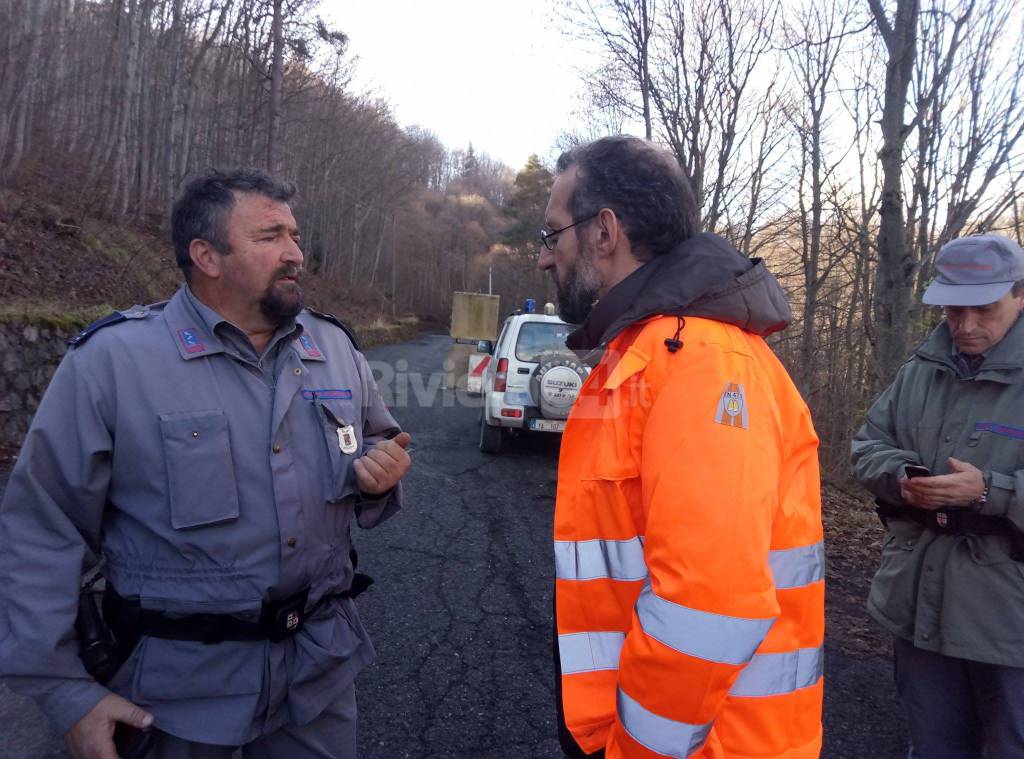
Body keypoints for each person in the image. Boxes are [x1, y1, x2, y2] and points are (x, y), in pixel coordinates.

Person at [0, 167, 411, 759]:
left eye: (294, 236)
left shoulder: (335, 349)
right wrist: (66, 693)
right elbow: (41, 529)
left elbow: (380, 441)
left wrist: (380, 478)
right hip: (174, 703)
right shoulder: (114, 363)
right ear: (206, 256)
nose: (295, 253)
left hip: (316, 683)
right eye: (271, 237)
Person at [540, 135, 824, 758]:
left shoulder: (702, 363)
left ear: (604, 232)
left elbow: (711, 604)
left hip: (706, 745)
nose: (545, 258)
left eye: (553, 234)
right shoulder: (646, 353)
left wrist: (635, 750)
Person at [851, 234, 1024, 759]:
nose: (966, 325)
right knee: (933, 744)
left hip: (1009, 618)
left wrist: (992, 491)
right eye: (953, 309)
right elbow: (865, 446)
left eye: (985, 309)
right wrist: (901, 478)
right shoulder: (921, 369)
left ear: (1020, 296)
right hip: (920, 600)